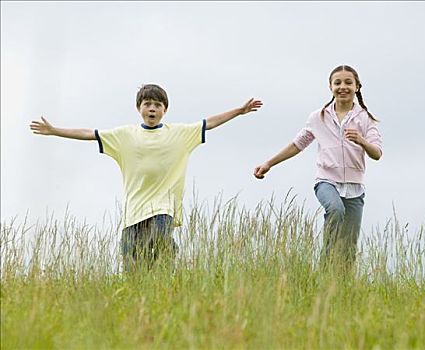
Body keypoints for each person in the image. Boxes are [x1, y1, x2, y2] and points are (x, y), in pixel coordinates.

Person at [30, 84, 262, 272]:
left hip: (163, 209)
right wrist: (55, 130)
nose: (152, 108)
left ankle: (167, 270)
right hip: (133, 213)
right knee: (132, 268)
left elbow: (209, 123)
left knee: (160, 247)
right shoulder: (124, 135)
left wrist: (239, 111)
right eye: (147, 104)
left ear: (165, 110)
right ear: (139, 108)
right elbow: (89, 134)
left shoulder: (180, 133)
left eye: (157, 105)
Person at [254, 65, 382, 269]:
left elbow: (377, 153)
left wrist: (361, 141)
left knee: (349, 246)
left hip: (354, 188)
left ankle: (341, 286)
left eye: (348, 82)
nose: (343, 87)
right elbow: (298, 144)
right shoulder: (318, 117)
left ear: (357, 87)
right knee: (335, 209)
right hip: (326, 181)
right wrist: (268, 163)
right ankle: (325, 265)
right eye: (337, 82)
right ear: (330, 87)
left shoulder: (365, 119)